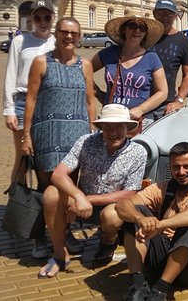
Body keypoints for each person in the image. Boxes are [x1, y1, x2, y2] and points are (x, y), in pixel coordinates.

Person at [37, 104, 147, 278]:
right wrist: (78, 196)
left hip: (110, 205)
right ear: (101, 127)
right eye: (108, 126)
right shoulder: (86, 141)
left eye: (119, 126)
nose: (113, 132)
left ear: (127, 127)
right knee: (51, 194)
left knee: (112, 217)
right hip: (82, 199)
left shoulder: (138, 152)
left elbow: (130, 193)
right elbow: (58, 174)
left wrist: (88, 200)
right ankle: (59, 254)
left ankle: (108, 241)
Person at [115, 142, 188, 301]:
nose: (181, 172)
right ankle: (137, 285)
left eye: (187, 166)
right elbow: (122, 205)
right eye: (176, 167)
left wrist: (160, 224)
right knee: (134, 213)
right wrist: (141, 219)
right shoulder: (163, 188)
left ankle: (159, 291)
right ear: (170, 167)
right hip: (162, 261)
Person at [2, 0, 55, 257]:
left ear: (52, 18)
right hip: (23, 103)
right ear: (32, 19)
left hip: (50, 104)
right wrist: (8, 109)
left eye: (47, 17)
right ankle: (19, 210)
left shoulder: (57, 42)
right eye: (39, 17)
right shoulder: (20, 42)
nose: (43, 22)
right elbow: (11, 75)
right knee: (23, 160)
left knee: (45, 164)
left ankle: (46, 220)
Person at [21, 17, 96, 189]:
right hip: (47, 135)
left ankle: (68, 216)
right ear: (55, 34)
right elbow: (31, 99)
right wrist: (26, 136)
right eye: (64, 32)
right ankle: (46, 216)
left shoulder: (85, 65)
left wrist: (92, 133)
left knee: (71, 184)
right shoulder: (41, 62)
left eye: (73, 33)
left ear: (79, 37)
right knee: (46, 185)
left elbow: (90, 102)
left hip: (77, 137)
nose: (69, 36)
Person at [91, 14, 167, 130]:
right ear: (124, 29)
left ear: (145, 33)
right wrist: (98, 93)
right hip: (111, 118)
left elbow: (162, 92)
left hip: (139, 121)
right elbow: (84, 71)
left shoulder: (151, 58)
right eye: (132, 26)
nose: (137, 30)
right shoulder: (109, 53)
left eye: (142, 28)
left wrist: (141, 109)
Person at [149, 0, 188, 120]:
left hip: (165, 105)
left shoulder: (182, 41)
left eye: (169, 14)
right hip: (140, 102)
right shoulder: (144, 36)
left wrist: (179, 100)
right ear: (154, 13)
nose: (165, 17)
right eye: (161, 12)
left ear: (175, 16)